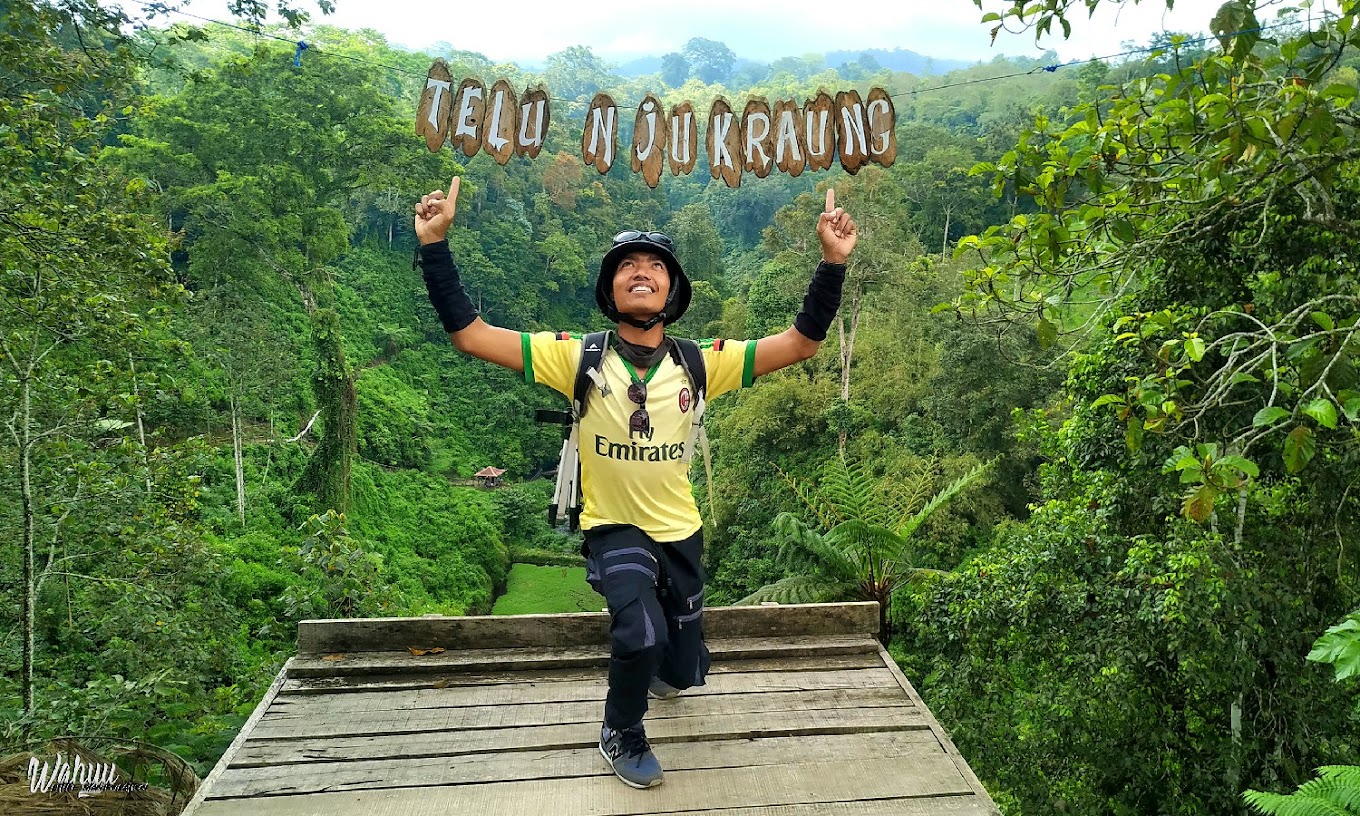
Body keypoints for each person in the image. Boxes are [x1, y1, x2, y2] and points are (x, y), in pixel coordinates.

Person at [414, 176, 857, 789]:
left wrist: (832, 264)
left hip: (681, 534)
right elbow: (472, 335)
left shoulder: (702, 363)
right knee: (639, 630)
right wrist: (435, 247)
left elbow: (801, 344)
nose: (641, 271)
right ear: (610, 286)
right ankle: (621, 728)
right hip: (612, 529)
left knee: (681, 668)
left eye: (655, 265)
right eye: (627, 265)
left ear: (673, 290)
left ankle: (659, 664)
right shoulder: (579, 357)